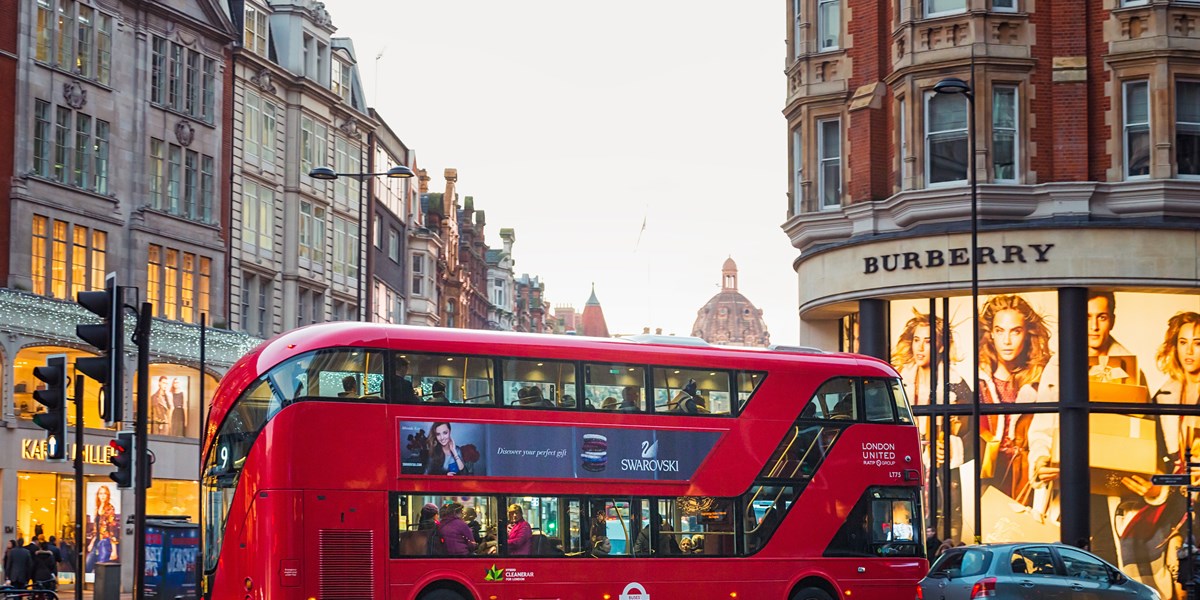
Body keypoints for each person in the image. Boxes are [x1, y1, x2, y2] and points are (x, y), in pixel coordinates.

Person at [1112, 311, 1200, 598]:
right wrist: (1157, 489)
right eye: (1182, 342)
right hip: (1174, 501)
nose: (1188, 350)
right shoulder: (1164, 395)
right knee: (1138, 540)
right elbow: (1157, 458)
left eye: (1197, 343)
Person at [891, 310, 972, 534]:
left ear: (941, 346)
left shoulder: (956, 384)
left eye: (927, 341)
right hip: (906, 465)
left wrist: (951, 446)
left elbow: (975, 431)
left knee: (945, 522)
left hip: (943, 472)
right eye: (916, 340)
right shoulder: (900, 381)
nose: (920, 347)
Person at [975, 294, 1052, 506]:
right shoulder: (978, 382)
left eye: (1015, 331)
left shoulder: (1044, 382)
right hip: (987, 478)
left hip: (1028, 479)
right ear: (990, 334)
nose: (1007, 341)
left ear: (1027, 334)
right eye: (1000, 331)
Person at [85, 485, 119, 573]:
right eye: (100, 493)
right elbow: (96, 529)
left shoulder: (110, 509)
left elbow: (112, 529)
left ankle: (99, 585)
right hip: (96, 541)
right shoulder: (97, 509)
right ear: (98, 495)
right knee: (87, 565)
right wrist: (91, 543)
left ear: (108, 495)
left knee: (101, 567)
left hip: (105, 542)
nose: (102, 496)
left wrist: (114, 550)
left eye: (105, 493)